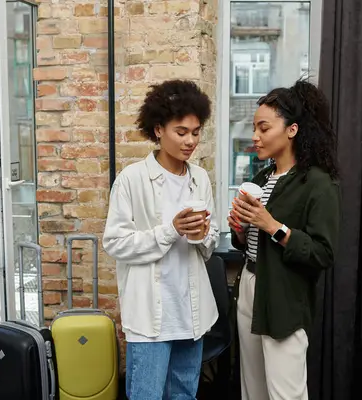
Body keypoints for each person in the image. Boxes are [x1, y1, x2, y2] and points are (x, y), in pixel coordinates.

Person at [102, 80, 219, 400]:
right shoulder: (132, 179)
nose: (190, 140)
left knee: (185, 396)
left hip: (191, 314)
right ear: (158, 130)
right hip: (151, 319)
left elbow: (209, 247)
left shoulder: (200, 178)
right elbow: (114, 243)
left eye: (196, 132)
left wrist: (204, 235)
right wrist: (171, 230)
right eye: (181, 132)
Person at [229, 78, 341, 400]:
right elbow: (253, 242)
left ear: (291, 130)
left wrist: (273, 226)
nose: (255, 136)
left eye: (264, 128)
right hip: (250, 286)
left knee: (285, 393)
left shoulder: (318, 183)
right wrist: (241, 230)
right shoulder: (262, 177)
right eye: (254, 128)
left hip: (284, 296)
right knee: (253, 389)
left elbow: (323, 253)